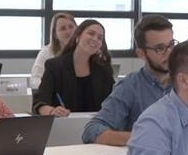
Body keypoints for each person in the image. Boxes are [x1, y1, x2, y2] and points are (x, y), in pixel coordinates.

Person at [82, 15, 174, 146]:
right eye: (160, 48)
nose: (169, 53)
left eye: (171, 45)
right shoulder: (130, 86)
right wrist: (142, 138)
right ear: (141, 54)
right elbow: (92, 131)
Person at [32, 19, 115, 116]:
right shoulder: (55, 66)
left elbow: (113, 102)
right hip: (64, 126)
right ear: (78, 35)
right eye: (91, 33)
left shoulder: (103, 69)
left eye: (100, 38)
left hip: (96, 127)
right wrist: (52, 111)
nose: (95, 39)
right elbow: (39, 104)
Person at [30, 12, 77, 89]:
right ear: (55, 34)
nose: (68, 32)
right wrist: (52, 88)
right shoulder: (47, 52)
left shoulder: (83, 51)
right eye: (63, 28)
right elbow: (34, 80)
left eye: (71, 27)